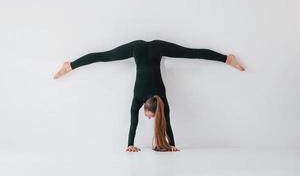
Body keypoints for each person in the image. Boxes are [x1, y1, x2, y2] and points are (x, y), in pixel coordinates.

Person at [53, 39, 245, 152]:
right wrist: (168, 145)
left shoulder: (160, 99)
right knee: (191, 53)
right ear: (148, 105)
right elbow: (139, 122)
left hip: (146, 48)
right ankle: (227, 58)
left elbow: (164, 122)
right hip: (145, 49)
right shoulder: (141, 98)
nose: (146, 117)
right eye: (149, 116)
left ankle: (69, 65)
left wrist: (132, 145)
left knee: (104, 56)